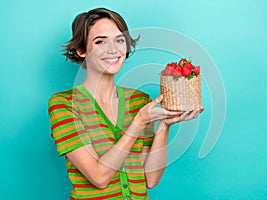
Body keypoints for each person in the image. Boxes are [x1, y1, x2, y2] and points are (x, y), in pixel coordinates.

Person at [48, 7, 204, 200]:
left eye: (119, 40)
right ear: (81, 50)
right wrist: (138, 123)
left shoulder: (139, 102)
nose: (113, 50)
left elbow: (151, 179)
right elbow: (99, 177)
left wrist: (165, 125)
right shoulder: (64, 105)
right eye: (100, 42)